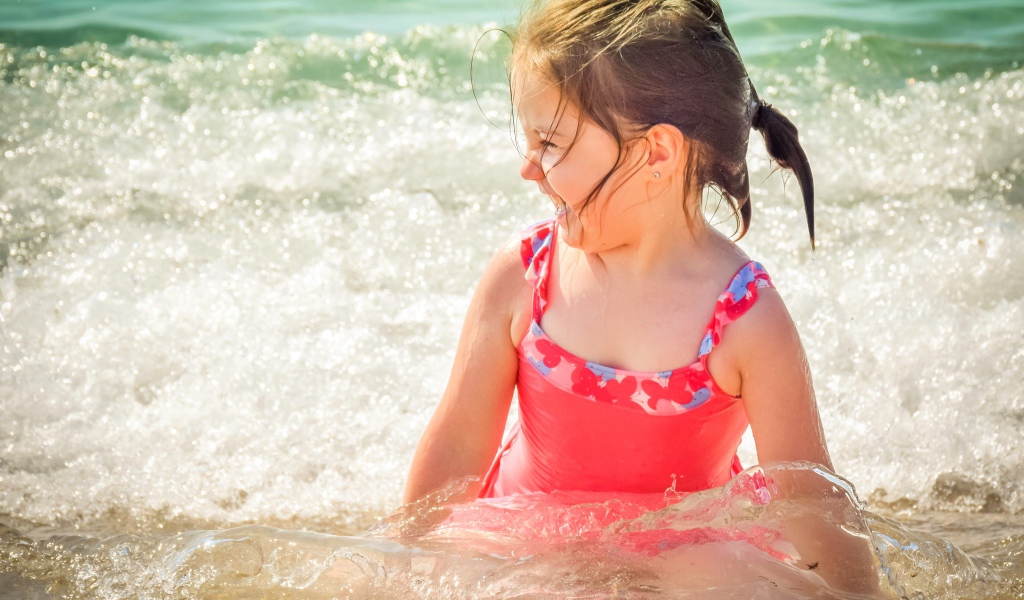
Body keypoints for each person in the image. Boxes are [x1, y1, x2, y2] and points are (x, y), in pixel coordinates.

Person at [404, 0, 878, 593]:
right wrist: (408, 566)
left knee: (735, 577)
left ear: (657, 151)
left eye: (550, 142)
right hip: (527, 541)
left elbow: (809, 497)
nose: (529, 168)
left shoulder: (742, 318)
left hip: (683, 555)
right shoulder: (525, 275)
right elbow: (456, 449)